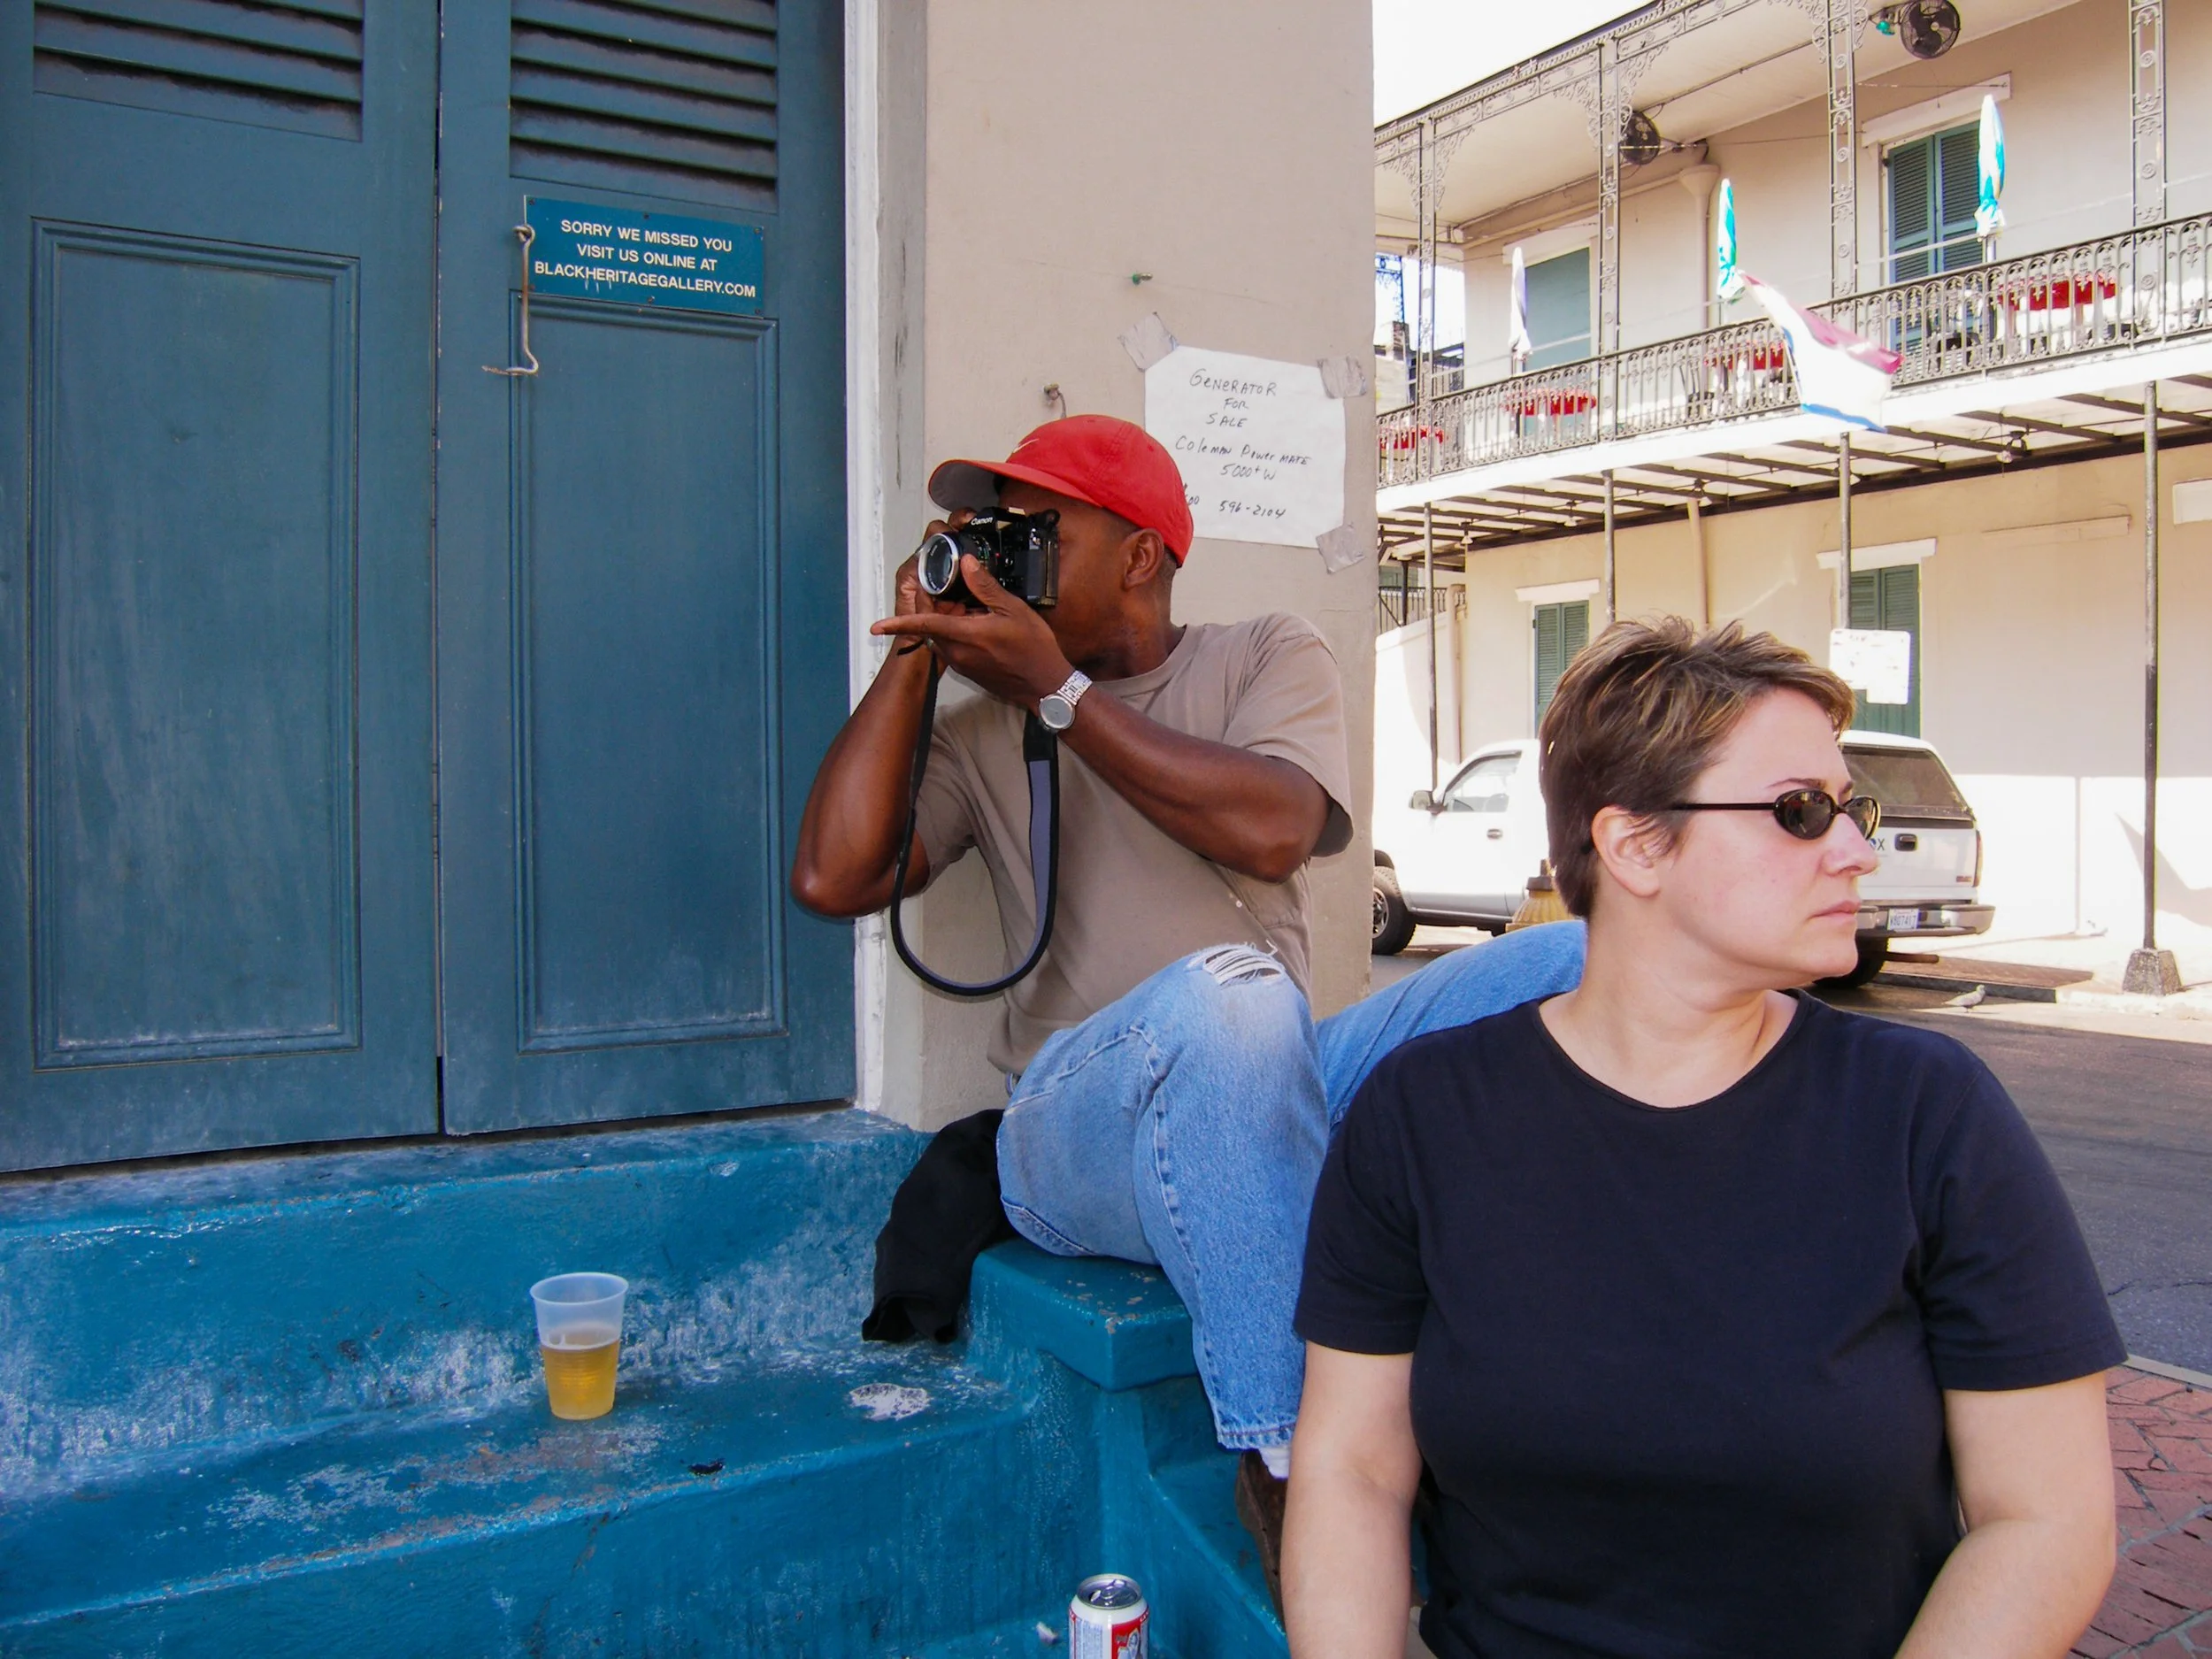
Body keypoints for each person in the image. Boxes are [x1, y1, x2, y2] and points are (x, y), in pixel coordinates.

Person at [791, 414, 1585, 1597]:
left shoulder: (1266, 652)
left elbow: (1273, 825)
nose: (1001, 552)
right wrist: (917, 651)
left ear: (1142, 556)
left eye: (1032, 529)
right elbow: (835, 877)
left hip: (1269, 1060)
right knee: (1232, 1000)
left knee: (1571, 953)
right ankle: (1288, 1453)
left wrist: (1060, 693)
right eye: (984, 533)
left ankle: (1606, 1319)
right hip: (1071, 1125)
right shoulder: (974, 729)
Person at [1286, 618, 2124, 1659]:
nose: (1859, 849)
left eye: (1847, 808)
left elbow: (2046, 1520)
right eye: (1802, 812)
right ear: (1635, 845)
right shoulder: (1423, 1117)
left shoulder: (1925, 1114)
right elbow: (1353, 1471)